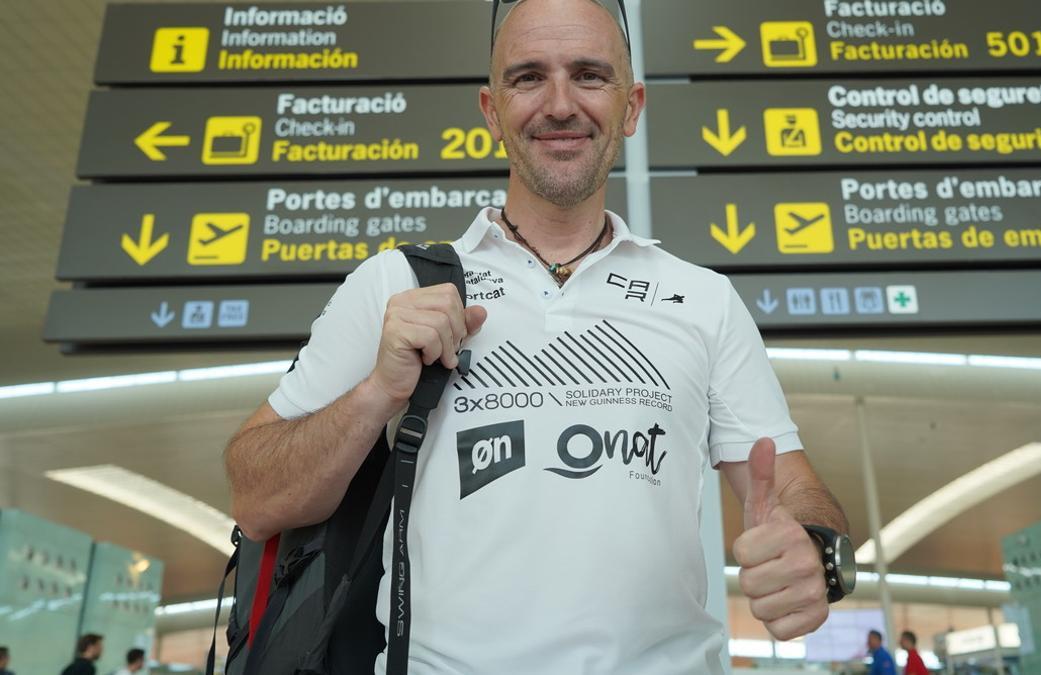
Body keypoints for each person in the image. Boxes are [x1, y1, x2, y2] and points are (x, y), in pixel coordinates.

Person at [224, 0, 848, 672]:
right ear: (491, 111)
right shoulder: (395, 283)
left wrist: (813, 550)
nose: (558, 104)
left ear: (631, 107)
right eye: (527, 78)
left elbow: (796, 490)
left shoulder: (704, 299)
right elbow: (255, 497)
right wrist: (377, 392)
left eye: (588, 75)